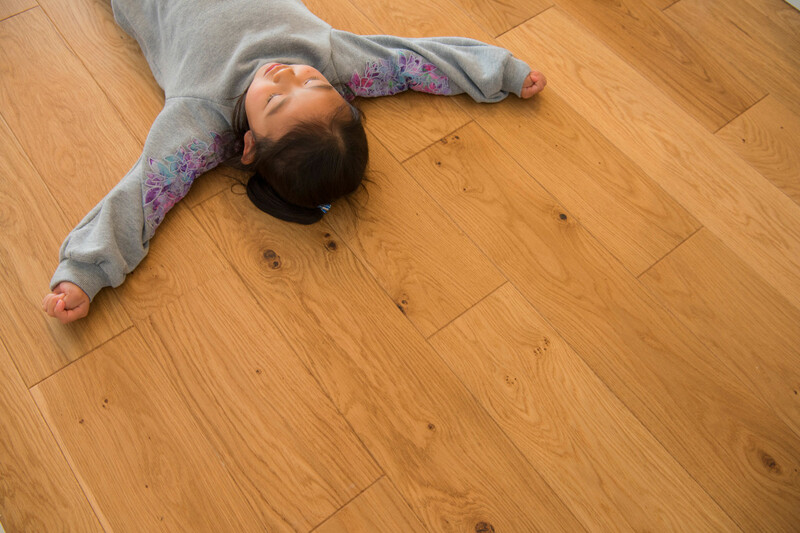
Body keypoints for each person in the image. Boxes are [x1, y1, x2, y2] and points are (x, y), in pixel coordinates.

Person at [41, 0, 547, 324]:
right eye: (312, 82)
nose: (286, 74)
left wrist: (83, 272)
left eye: (275, 99)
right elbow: (411, 61)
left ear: (248, 147)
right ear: (343, 94)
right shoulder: (331, 58)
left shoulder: (201, 118)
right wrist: (499, 72)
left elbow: (142, 195)